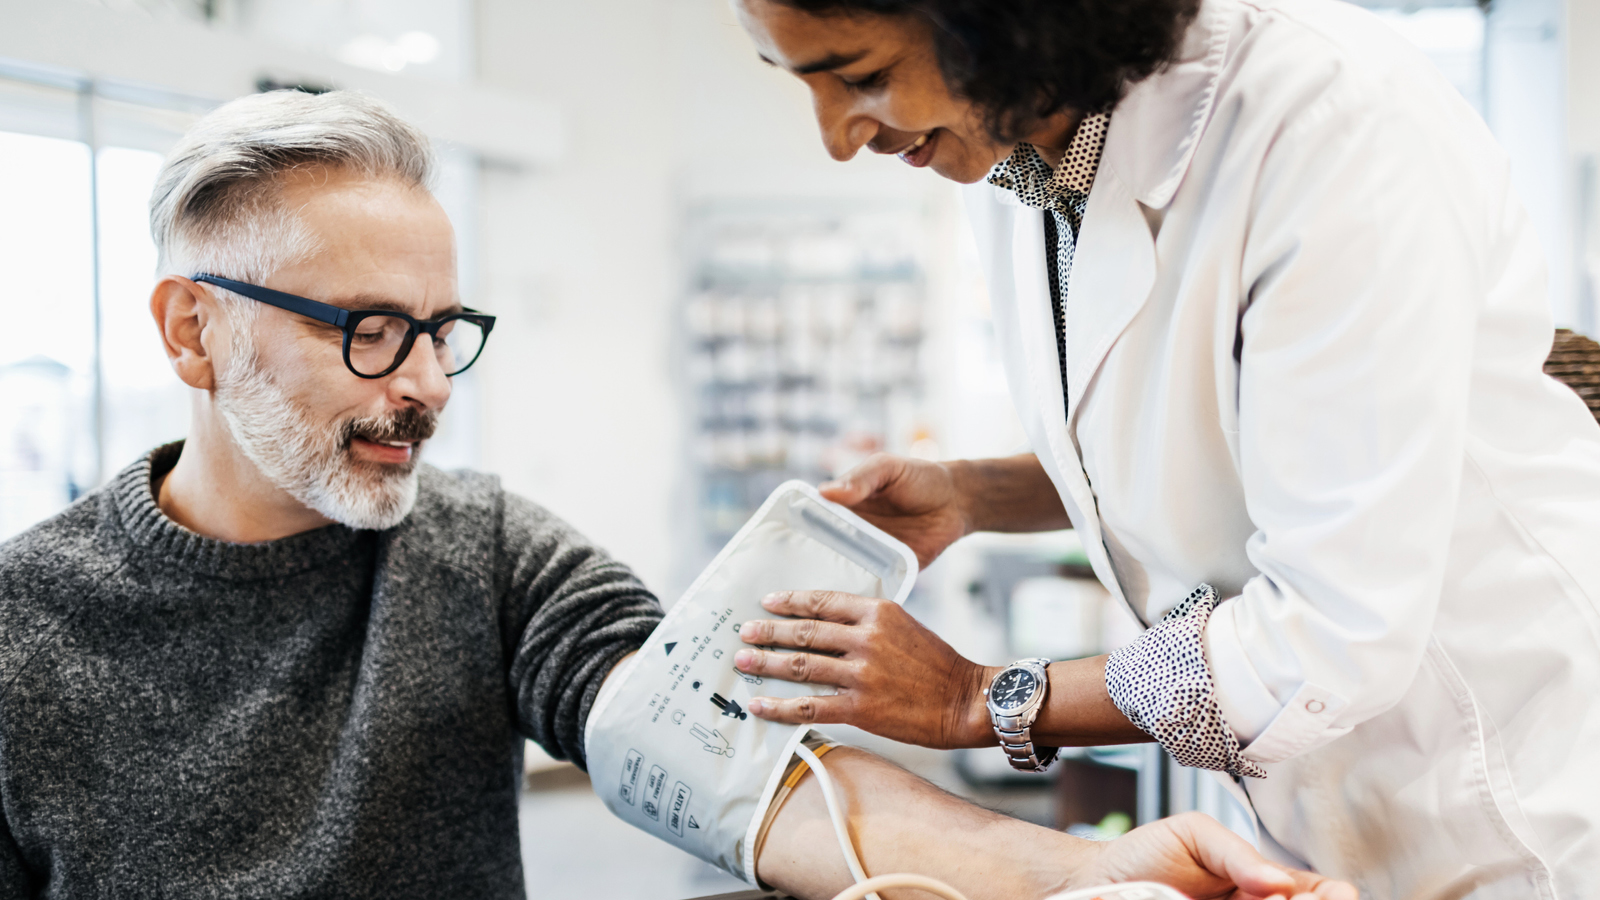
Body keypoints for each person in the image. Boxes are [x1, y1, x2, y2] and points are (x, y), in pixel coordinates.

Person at [0, 89, 1351, 900]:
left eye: (440, 328)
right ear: (191, 331)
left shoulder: (485, 554)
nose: (425, 383)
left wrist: (1083, 867)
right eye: (366, 330)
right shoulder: (24, 630)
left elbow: (741, 778)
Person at [727, 0, 1600, 896]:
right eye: (802, 81)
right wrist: (973, 494)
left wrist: (977, 699)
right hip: (1302, 801)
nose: (837, 136)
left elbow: (1334, 630)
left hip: (1506, 795)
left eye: (863, 76)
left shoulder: (1330, 125)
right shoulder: (1019, 159)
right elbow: (1191, 443)